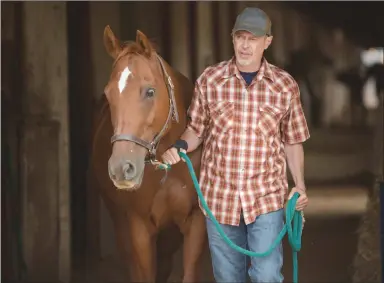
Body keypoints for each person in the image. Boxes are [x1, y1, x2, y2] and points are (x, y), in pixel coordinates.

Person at [161, 7, 310, 283]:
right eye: (240, 37)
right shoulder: (210, 80)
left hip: (266, 198)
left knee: (266, 276)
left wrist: (299, 184)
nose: (245, 44)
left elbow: (293, 140)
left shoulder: (284, 86)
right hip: (220, 199)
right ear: (232, 39)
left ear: (267, 41)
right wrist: (180, 145)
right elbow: (197, 129)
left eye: (252, 38)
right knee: (229, 279)